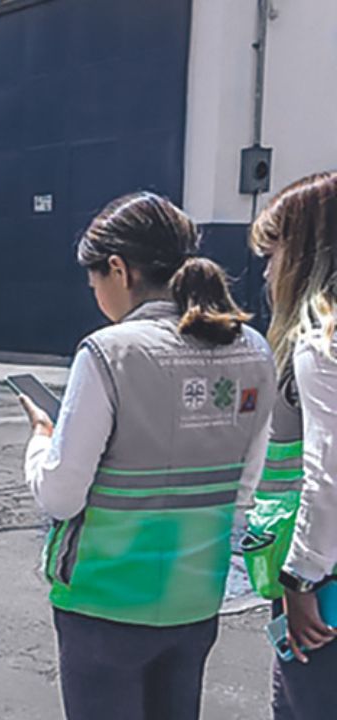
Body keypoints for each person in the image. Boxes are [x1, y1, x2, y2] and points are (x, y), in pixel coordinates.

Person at [20, 192, 275, 720]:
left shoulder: (109, 351)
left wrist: (40, 440)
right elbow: (249, 487)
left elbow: (62, 496)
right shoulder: (253, 348)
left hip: (103, 601)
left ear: (118, 268)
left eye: (95, 281)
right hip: (196, 598)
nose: (96, 295)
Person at [246, 171, 337, 718]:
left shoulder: (319, 342)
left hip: (324, 588)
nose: (267, 268)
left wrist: (302, 575)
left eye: (273, 250)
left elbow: (328, 468)